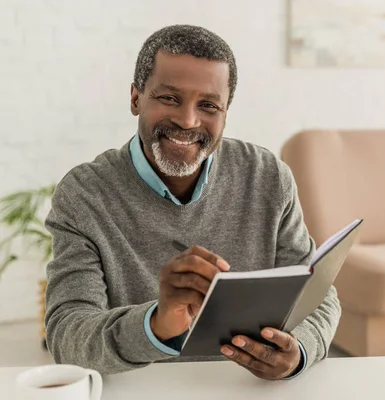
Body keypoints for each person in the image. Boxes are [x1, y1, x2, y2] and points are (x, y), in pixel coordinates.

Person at [44, 25, 341, 380]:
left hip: (244, 388)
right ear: (136, 98)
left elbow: (318, 296)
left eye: (209, 105)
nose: (188, 120)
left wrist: (299, 351)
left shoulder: (268, 178)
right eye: (169, 98)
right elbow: (67, 334)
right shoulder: (85, 194)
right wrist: (155, 324)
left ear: (226, 111)